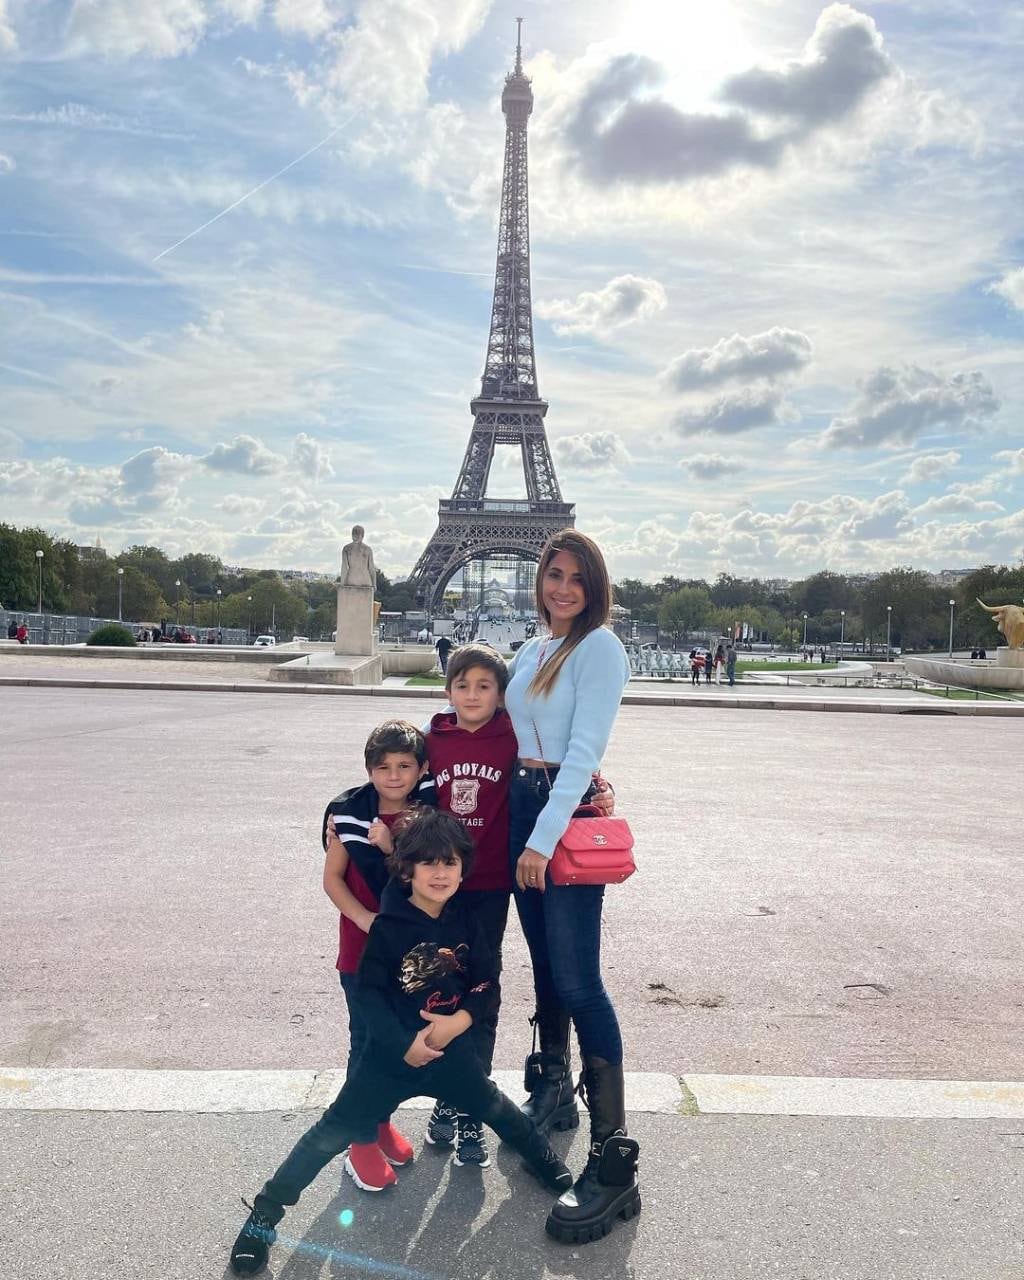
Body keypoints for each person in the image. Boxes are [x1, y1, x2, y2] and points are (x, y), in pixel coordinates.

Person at [229, 810, 573, 1276]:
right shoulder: (389, 924)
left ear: (462, 869)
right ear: (407, 869)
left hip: (451, 1054)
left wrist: (461, 1021)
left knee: (497, 1110)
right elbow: (368, 994)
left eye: (450, 863)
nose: (440, 873)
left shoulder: (469, 919)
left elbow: (487, 981)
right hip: (387, 1061)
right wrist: (402, 1044)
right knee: (327, 1135)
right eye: (428, 863)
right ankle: (264, 1216)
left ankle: (543, 1161)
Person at [503, 529, 641, 1245]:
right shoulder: (533, 649)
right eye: (553, 575)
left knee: (580, 981)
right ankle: (555, 1085)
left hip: (559, 810)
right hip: (528, 802)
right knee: (547, 970)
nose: (561, 588)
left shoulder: (600, 648)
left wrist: (540, 839)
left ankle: (615, 1162)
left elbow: (582, 753)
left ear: (595, 588)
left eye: (576, 579)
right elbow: (508, 734)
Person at [321, 720, 435, 1192]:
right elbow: (333, 879)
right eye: (382, 767)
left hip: (408, 956)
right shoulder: (346, 814)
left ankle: (380, 1120)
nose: (393, 776)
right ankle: (359, 1138)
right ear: (368, 769)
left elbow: (431, 878)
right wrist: (366, 920)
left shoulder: (428, 817)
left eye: (405, 766)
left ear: (422, 769)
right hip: (361, 952)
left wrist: (392, 848)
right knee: (365, 1041)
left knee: (394, 1043)